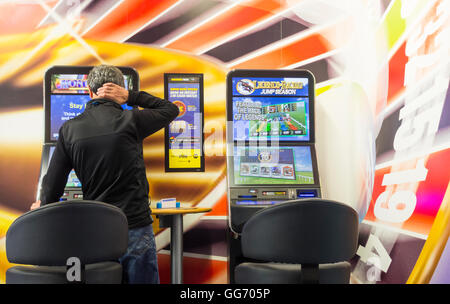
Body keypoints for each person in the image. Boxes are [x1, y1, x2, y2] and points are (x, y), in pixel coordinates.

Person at [30, 64, 179, 284]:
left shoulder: (70, 129)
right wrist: (130, 96)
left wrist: (43, 208)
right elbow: (170, 109)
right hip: (134, 225)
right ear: (119, 91)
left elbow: (53, 183)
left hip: (97, 230)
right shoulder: (132, 121)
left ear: (90, 93)